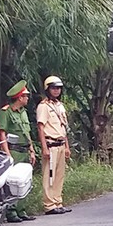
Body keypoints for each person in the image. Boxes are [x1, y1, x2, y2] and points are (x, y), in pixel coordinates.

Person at [0, 80, 37, 222]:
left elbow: (27, 133)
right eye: (25, 96)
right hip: (14, 150)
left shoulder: (23, 112)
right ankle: (11, 212)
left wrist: (32, 150)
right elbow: (2, 134)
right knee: (13, 182)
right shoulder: (5, 112)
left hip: (25, 150)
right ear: (20, 98)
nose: (27, 98)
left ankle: (22, 210)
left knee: (24, 180)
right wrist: (7, 154)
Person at [37, 75, 71, 215]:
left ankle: (58, 201)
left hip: (61, 143)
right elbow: (40, 127)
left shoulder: (59, 106)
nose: (56, 91)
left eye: (58, 88)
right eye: (53, 88)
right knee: (49, 175)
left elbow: (64, 128)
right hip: (50, 144)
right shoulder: (43, 106)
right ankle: (49, 204)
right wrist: (44, 147)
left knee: (59, 175)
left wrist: (67, 146)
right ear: (47, 89)